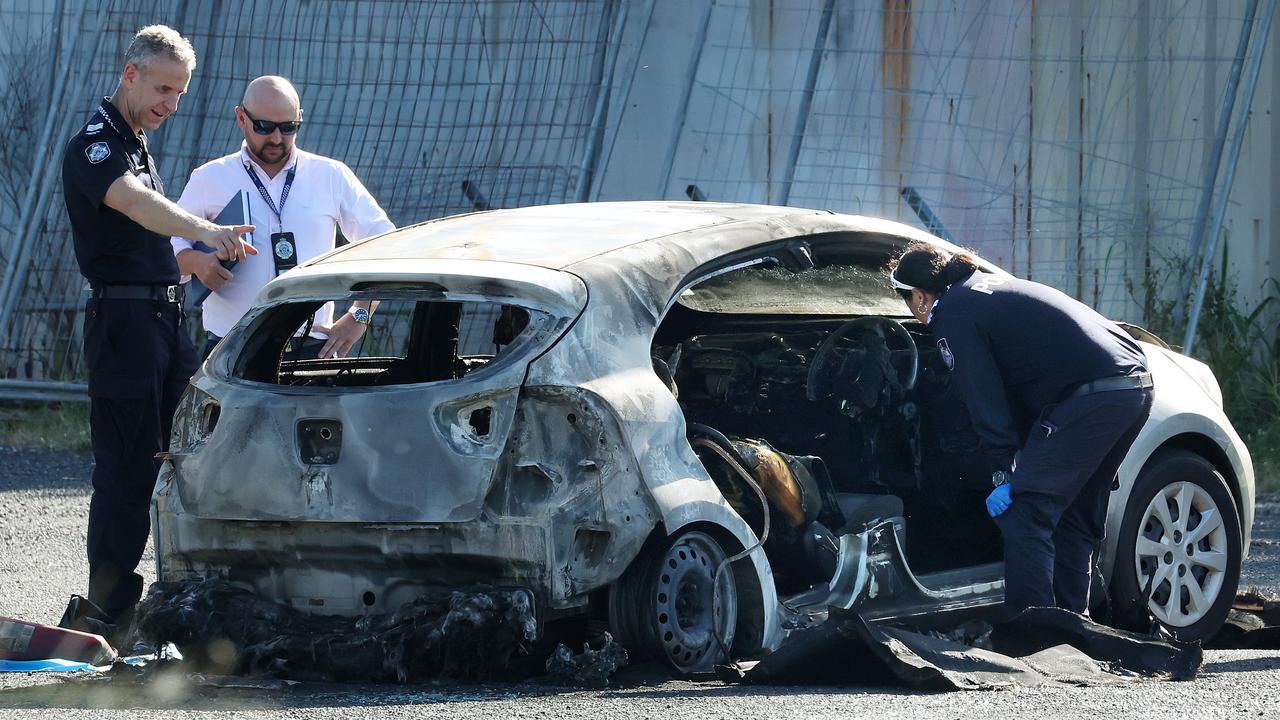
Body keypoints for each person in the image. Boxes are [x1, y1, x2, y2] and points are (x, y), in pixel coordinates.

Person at [59, 25, 255, 641]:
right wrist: (206, 231)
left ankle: (185, 596)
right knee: (125, 467)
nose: (171, 103)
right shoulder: (97, 146)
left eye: (181, 93)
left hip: (165, 319)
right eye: (163, 88)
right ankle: (107, 610)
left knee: (189, 455)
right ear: (130, 74)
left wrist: (195, 261)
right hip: (124, 325)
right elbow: (136, 205)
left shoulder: (136, 141)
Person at [888, 242, 1153, 616]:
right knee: (1074, 517)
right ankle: (1074, 632)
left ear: (919, 296)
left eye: (907, 303)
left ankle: (1035, 640)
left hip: (1091, 398)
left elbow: (987, 402)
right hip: (1133, 386)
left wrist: (1004, 471)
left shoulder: (954, 314)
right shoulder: (984, 287)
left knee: (1026, 513)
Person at [171, 75, 394, 360]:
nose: (276, 138)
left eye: (289, 128)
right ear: (241, 117)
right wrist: (199, 263)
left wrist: (360, 314)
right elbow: (168, 249)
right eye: (264, 127)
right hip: (232, 349)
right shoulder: (209, 178)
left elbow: (385, 243)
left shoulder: (330, 175)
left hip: (312, 347)